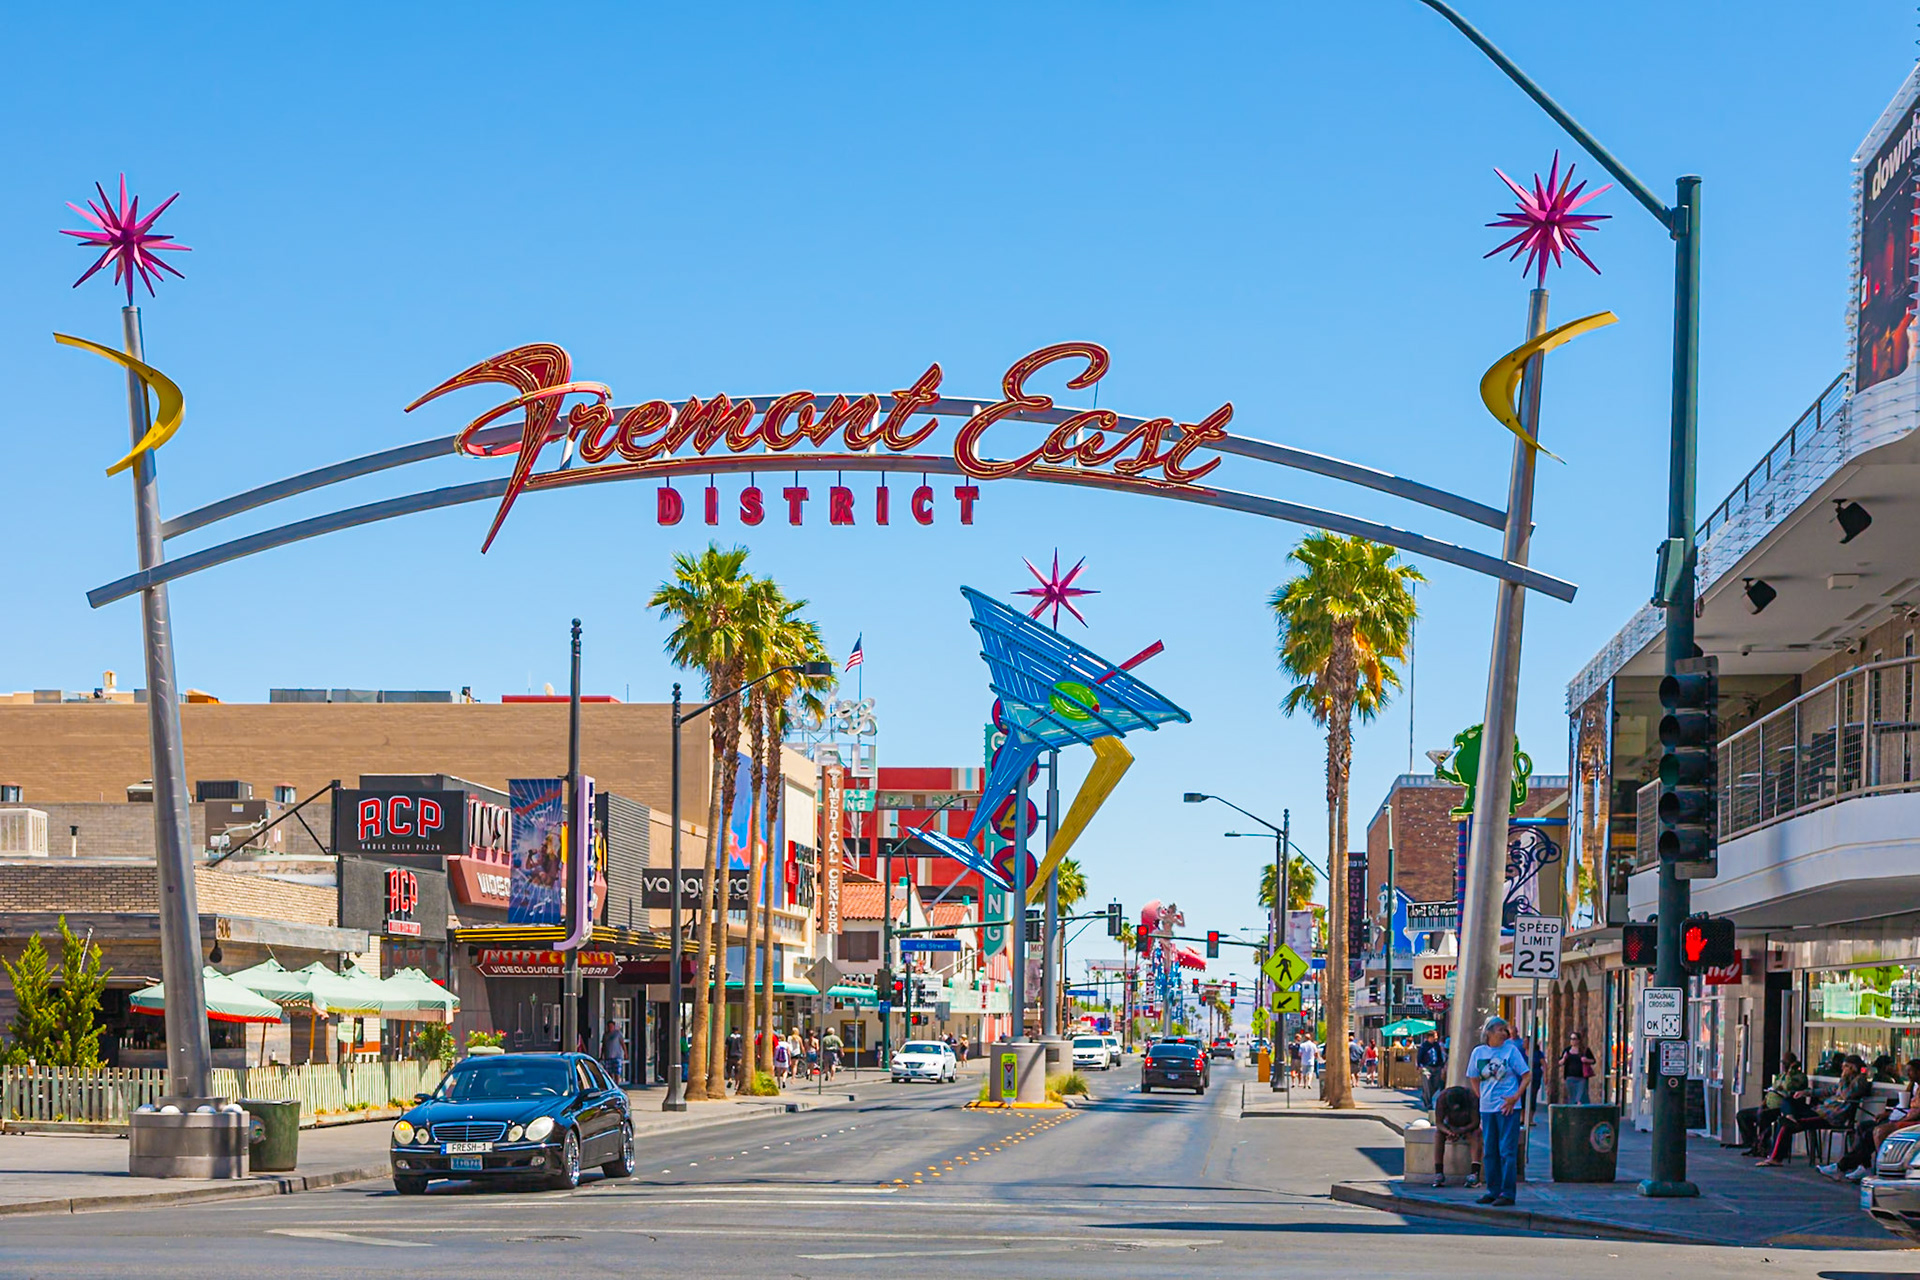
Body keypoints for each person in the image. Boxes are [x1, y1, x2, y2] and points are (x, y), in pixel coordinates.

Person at [1759, 1053, 1874, 1166]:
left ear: (1852, 1068)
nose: (1842, 1069)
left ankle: (1775, 1158)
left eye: (1845, 1067)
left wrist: (1844, 1078)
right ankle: (1791, 1118)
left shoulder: (1860, 1081)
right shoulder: (1845, 1081)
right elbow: (1829, 1091)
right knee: (1788, 1101)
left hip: (1830, 1116)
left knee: (1784, 1124)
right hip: (1821, 1110)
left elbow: (1845, 1095)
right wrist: (1806, 1093)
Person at [1467, 1015, 1530, 1206]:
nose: (1505, 1033)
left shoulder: (1510, 1051)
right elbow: (1473, 1076)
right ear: (1489, 1033)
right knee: (1490, 1150)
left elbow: (1526, 1075)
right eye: (1501, 1030)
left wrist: (1515, 1097)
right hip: (1487, 1107)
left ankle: (1508, 1192)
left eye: (1506, 1030)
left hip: (1507, 1107)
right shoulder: (1478, 1052)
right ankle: (1492, 1190)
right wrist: (1481, 1096)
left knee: (1507, 1151)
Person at [1735, 1053, 1805, 1155]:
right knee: (1742, 1115)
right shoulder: (1781, 1076)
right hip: (1768, 1106)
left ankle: (1764, 1145)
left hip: (1781, 1109)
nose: (1783, 1065)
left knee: (1764, 1116)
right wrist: (1763, 1104)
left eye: (1786, 1063)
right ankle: (1753, 1143)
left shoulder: (1800, 1077)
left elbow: (1788, 1086)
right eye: (1783, 1062)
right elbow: (1773, 1089)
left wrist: (1790, 1072)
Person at [1431, 1083, 1482, 1188]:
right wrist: (1449, 1132)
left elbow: (1475, 1122)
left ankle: (1474, 1173)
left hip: (1468, 1126)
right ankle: (1439, 1173)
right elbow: (1439, 1123)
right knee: (1438, 1135)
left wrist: (1461, 1130)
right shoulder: (1442, 1098)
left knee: (1477, 1134)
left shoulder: (1471, 1097)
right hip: (1450, 1126)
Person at [1559, 1031, 1596, 1105]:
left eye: (1574, 1039)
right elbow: (1560, 1063)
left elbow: (1593, 1061)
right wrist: (1564, 1058)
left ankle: (1581, 1111)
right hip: (1570, 1077)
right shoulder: (1567, 1050)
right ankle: (1573, 1112)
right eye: (1571, 1039)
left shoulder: (1585, 1050)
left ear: (1578, 1040)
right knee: (1572, 1097)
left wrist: (1586, 1060)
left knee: (1581, 1097)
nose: (1572, 1041)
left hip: (1581, 1077)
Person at [1417, 1031, 1447, 1110]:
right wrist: (1420, 1066)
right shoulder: (1424, 1046)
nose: (1436, 1038)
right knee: (1427, 1085)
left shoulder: (1437, 1045)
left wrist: (1442, 1065)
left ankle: (1425, 1096)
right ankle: (1428, 1103)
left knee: (1436, 1085)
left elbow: (1439, 1056)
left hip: (1437, 1067)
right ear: (1430, 1037)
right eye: (1435, 1036)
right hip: (1427, 1067)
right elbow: (1419, 1057)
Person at [601, 1020, 626, 1086]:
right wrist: (602, 1055)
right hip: (608, 1056)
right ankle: (611, 1085)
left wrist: (625, 1053)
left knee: (617, 1072)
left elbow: (622, 1043)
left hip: (617, 1056)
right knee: (609, 1073)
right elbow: (603, 1046)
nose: (610, 1028)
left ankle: (617, 1085)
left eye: (611, 1026)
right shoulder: (605, 1035)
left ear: (614, 1026)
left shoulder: (618, 1034)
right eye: (609, 1026)